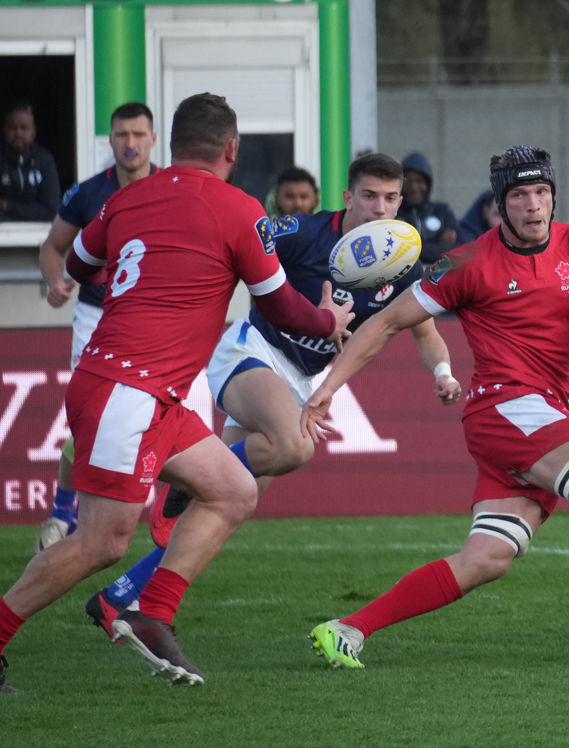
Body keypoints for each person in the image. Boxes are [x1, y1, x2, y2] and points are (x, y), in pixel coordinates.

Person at [302, 145, 569, 669]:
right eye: (520, 195)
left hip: (539, 408)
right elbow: (387, 322)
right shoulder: (467, 262)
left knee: (487, 557)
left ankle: (347, 628)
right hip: (503, 407)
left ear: (553, 196)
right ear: (500, 204)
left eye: (542, 192)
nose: (533, 205)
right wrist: (327, 389)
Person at [0, 92, 354, 693]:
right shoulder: (240, 209)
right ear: (231, 150)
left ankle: (152, 612)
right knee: (102, 542)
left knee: (234, 490)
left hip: (139, 387)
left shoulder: (125, 198)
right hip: (127, 388)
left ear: (170, 143)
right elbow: (282, 308)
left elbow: (82, 264)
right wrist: (330, 321)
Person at [81, 152, 461, 638]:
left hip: (301, 381)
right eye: (368, 196)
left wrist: (444, 373)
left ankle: (117, 598)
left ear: (401, 202)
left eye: (390, 198)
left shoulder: (400, 260)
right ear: (348, 197)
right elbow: (235, 244)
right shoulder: (303, 232)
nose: (378, 209)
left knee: (228, 505)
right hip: (251, 352)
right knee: (293, 444)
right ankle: (196, 475)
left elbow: (426, 334)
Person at [34, 102, 160, 553]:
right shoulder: (88, 194)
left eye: (138, 134)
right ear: (110, 140)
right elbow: (53, 246)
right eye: (122, 134)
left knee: (160, 414)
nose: (130, 143)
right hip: (96, 317)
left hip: (156, 317)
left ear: (153, 139)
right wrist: (55, 281)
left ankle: (160, 511)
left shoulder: (172, 188)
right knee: (88, 418)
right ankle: (63, 513)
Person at [0, 101, 61, 222]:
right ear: (4, 131)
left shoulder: (44, 159)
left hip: (39, 236)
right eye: (12, 128)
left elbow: (51, 211)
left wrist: (6, 206)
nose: (18, 133)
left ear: (33, 132)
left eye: (24, 128)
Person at [397, 151, 459, 263]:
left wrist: (410, 249)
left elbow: (459, 249)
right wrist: (438, 246)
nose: (414, 188)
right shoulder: (394, 213)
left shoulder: (442, 211)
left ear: (428, 184)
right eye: (408, 181)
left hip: (438, 277)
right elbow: (393, 252)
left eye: (419, 181)